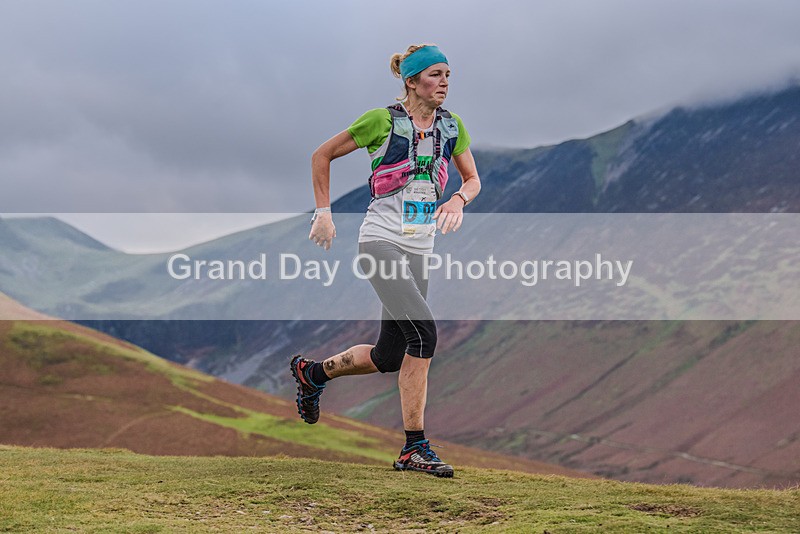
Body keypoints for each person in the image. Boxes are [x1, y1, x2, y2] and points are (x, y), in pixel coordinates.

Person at [291, 44, 481, 478]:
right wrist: (324, 213)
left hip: (420, 249)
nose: (445, 83)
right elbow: (321, 155)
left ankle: (313, 373)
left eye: (449, 75)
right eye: (435, 75)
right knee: (425, 337)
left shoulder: (452, 127)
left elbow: (473, 180)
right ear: (411, 81)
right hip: (380, 244)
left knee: (391, 354)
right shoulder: (382, 121)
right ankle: (415, 448)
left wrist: (457, 199)